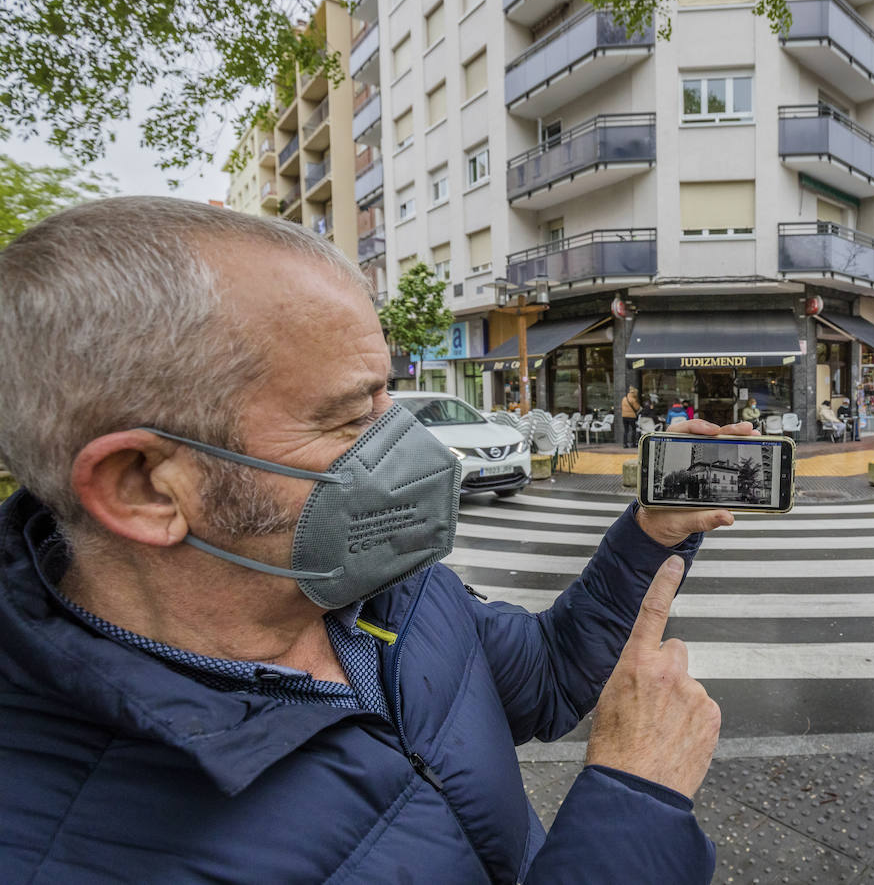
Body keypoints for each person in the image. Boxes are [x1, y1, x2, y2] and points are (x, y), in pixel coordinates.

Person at [0, 197, 751, 884]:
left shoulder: (379, 587)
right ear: (144, 486)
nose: (418, 453)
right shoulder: (65, 852)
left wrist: (653, 533)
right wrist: (634, 803)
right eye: (351, 418)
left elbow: (547, 677)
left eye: (387, 399)